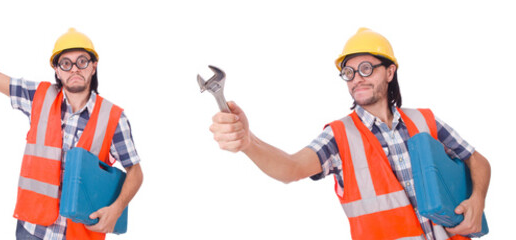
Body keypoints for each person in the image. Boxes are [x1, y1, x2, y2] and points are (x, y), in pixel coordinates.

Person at [208, 28, 491, 240]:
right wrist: (248, 142)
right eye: (349, 72)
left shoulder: (424, 119)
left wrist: (478, 199)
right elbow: (290, 168)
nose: (357, 78)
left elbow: (477, 160)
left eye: (366, 68)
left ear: (390, 71)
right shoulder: (339, 136)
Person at [0, 23, 144, 240]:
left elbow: (135, 172)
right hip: (33, 231)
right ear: (57, 70)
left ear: (93, 66)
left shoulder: (114, 118)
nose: (74, 68)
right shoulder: (38, 98)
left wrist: (117, 208)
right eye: (66, 63)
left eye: (82, 61)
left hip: (80, 234)